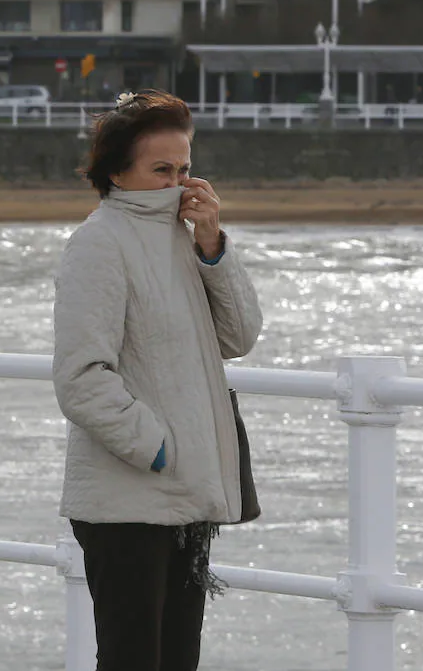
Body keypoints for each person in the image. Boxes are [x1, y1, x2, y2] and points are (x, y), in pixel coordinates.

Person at [51, 89, 263, 671]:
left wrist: (213, 245)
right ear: (117, 171)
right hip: (128, 499)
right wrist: (159, 449)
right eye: (161, 169)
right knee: (132, 659)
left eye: (186, 168)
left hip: (183, 498)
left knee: (177, 660)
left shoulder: (185, 235)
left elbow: (239, 337)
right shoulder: (100, 242)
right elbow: (80, 376)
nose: (179, 182)